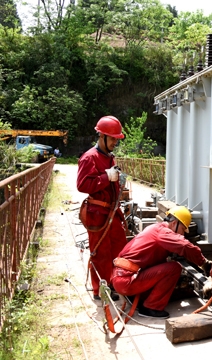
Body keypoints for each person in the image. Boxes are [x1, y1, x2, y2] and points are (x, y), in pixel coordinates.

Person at [111, 206, 212, 319]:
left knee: (162, 265)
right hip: (126, 280)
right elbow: (185, 246)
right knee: (174, 268)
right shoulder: (163, 232)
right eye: (183, 229)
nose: (183, 234)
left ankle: (137, 296)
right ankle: (151, 307)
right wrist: (203, 263)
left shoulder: (155, 227)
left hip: (120, 276)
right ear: (174, 223)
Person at [77, 115, 127, 302]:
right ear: (102, 137)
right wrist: (107, 178)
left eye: (116, 138)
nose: (115, 141)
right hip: (98, 214)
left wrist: (117, 180)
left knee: (118, 249)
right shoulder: (90, 158)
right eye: (112, 138)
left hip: (111, 212)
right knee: (101, 252)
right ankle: (100, 289)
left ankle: (114, 283)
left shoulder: (109, 157)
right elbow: (82, 185)